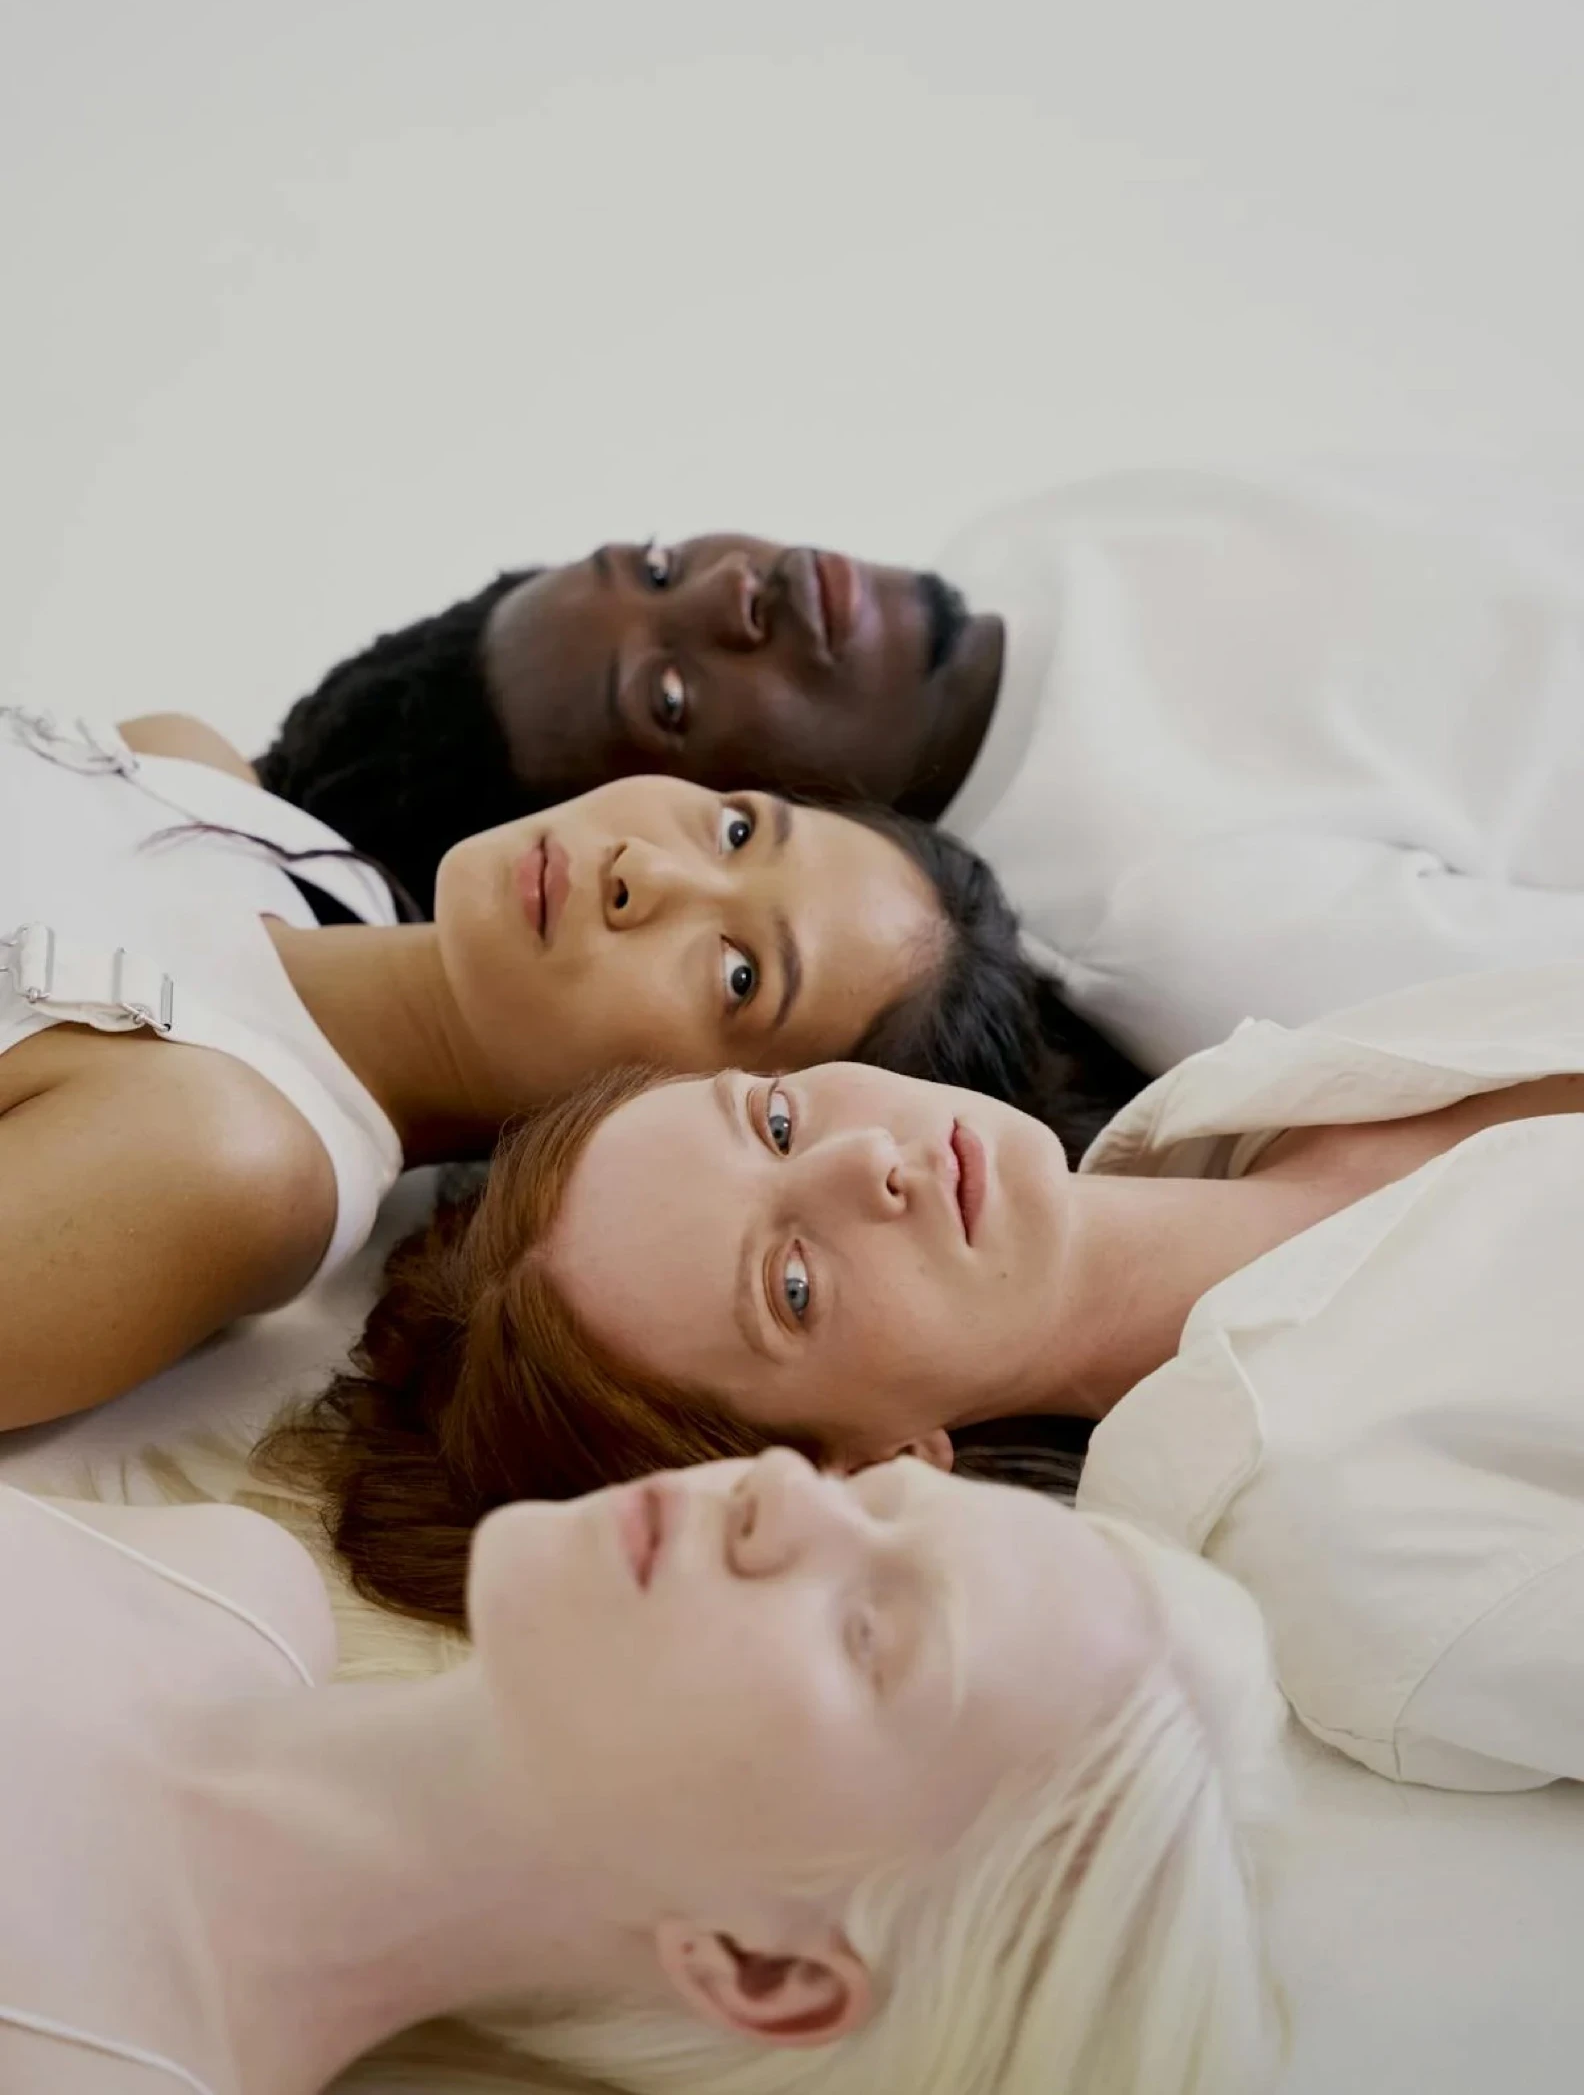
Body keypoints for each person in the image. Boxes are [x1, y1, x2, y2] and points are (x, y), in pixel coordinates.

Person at [286, 956, 1584, 1796]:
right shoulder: (1342, 1543)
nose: (863, 1165)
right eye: (792, 1285)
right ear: (870, 1468)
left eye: (776, 1121)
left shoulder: (1256, 1084)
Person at [0, 1453, 1285, 2095]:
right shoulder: (228, 1579)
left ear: (764, 1971)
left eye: (870, 1635)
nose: (781, 1487)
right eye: (869, 1490)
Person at [0, 700, 1119, 1435]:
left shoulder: (228, 1162)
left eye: (738, 975)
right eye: (737, 832)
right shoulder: (202, 780)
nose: (645, 872)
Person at [256, 465, 1584, 1069]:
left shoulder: (1030, 535)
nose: (730, 590)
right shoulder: (1157, 918)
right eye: (670, 696)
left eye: (654, 568)